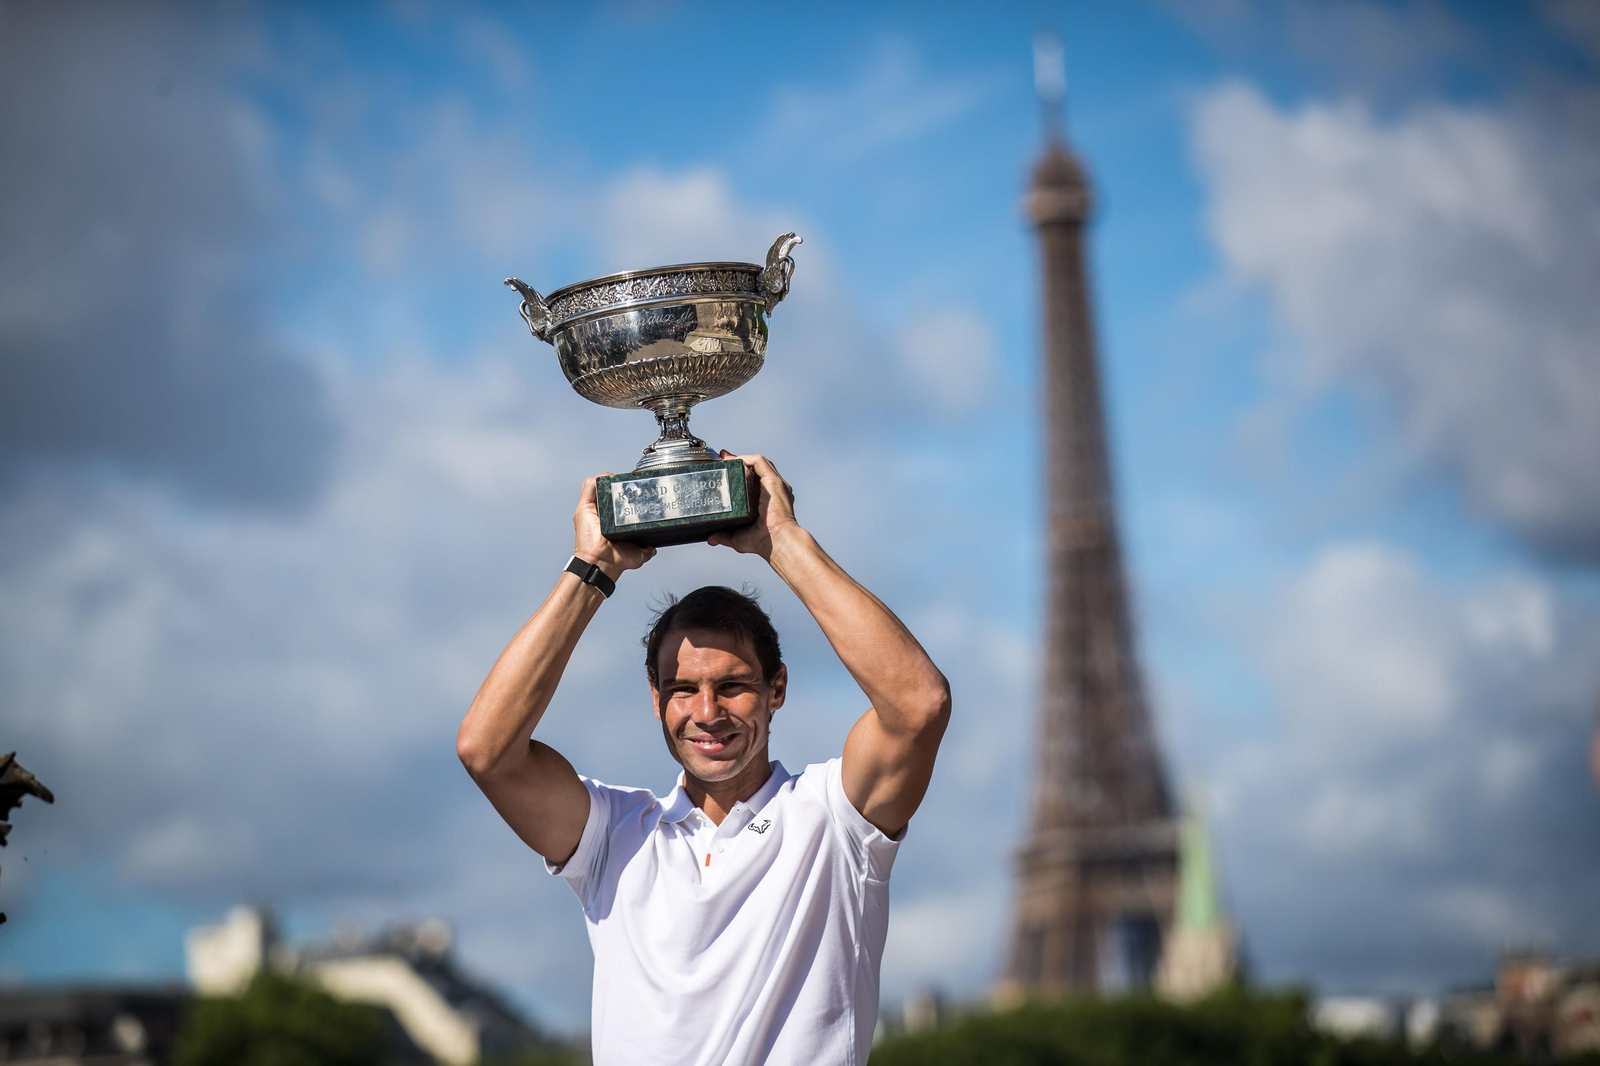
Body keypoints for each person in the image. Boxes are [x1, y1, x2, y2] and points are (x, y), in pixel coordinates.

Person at [456, 452, 951, 1066]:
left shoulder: (834, 819)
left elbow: (919, 705)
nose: (707, 711)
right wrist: (593, 566)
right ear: (656, 697)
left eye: (734, 686)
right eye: (683, 689)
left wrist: (783, 541)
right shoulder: (614, 834)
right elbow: (486, 750)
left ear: (778, 690)